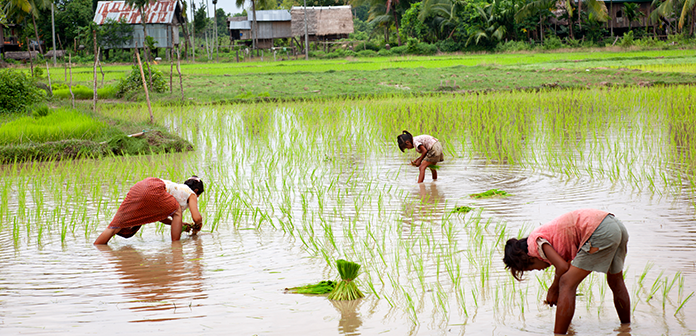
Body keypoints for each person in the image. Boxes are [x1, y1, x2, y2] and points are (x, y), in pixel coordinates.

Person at [503, 209, 630, 334]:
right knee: (615, 280)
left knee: (566, 282)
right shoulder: (546, 237)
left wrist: (553, 289)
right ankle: (626, 328)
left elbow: (562, 267)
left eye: (531, 268)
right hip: (615, 225)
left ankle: (559, 334)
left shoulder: (535, 243)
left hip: (599, 231)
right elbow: (568, 266)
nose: (538, 269)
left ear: (529, 258)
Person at [94, 176, 205, 245]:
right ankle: (175, 246)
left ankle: (98, 246)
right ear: (196, 191)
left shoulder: (176, 189)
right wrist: (198, 224)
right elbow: (197, 217)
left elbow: (159, 217)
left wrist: (179, 224)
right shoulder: (191, 193)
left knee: (115, 226)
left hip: (140, 186)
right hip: (156, 187)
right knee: (177, 212)